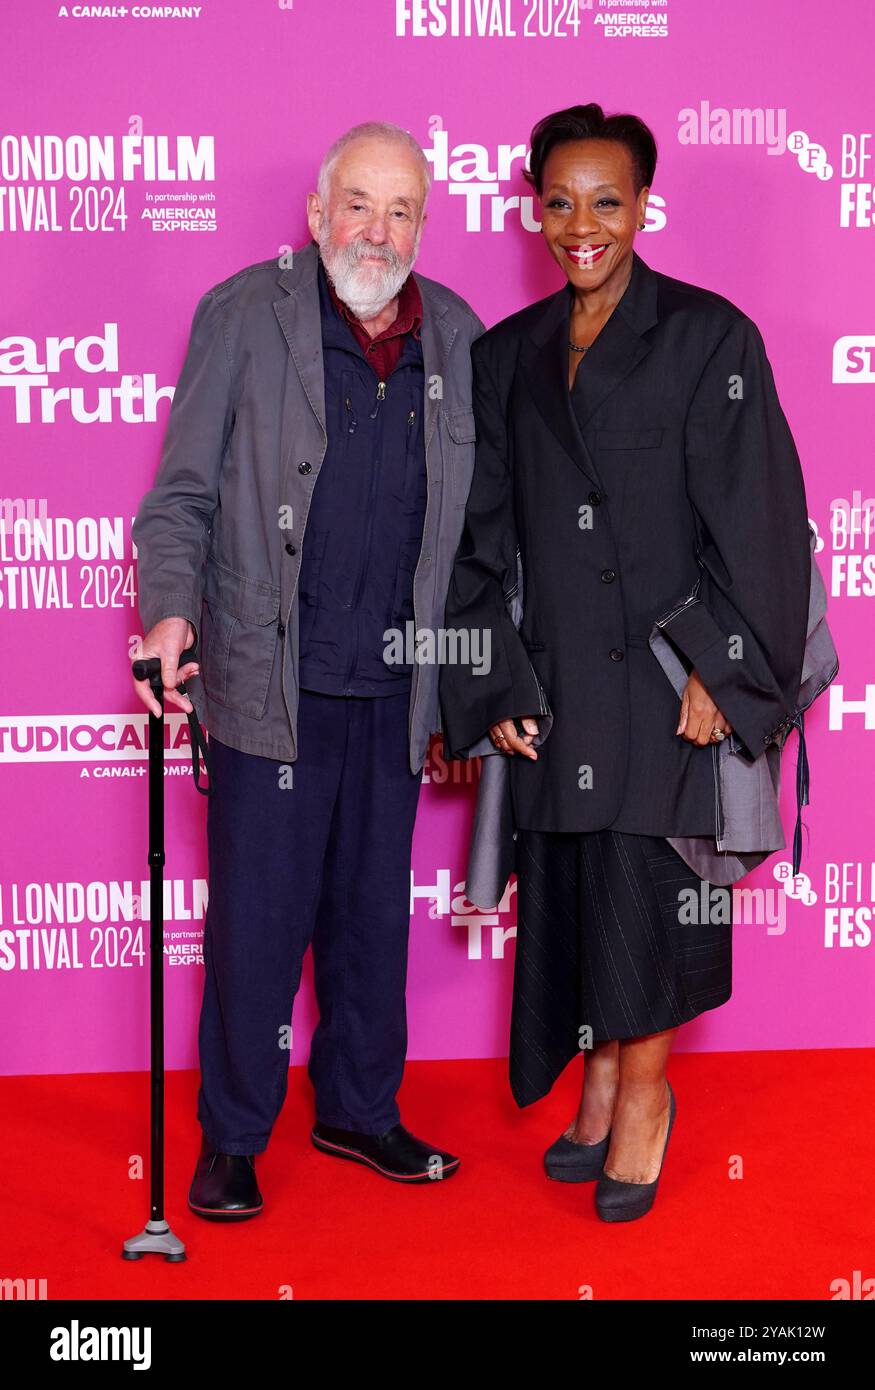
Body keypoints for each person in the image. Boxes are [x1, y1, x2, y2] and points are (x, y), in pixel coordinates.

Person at [438, 103, 812, 1222]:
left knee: (651, 897)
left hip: (664, 679)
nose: (580, 225)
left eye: (605, 200)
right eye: (558, 202)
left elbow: (758, 520)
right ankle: (597, 1073)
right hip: (557, 682)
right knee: (572, 893)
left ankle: (642, 1096)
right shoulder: (504, 355)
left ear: (643, 204)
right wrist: (492, 678)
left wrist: (726, 669)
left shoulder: (710, 338)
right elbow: (479, 537)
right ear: (531, 209)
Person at [132, 121, 486, 1219]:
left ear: (423, 226)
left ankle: (357, 1112)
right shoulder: (243, 314)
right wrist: (166, 615)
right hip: (264, 685)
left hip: (393, 690)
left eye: (400, 212)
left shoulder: (460, 338)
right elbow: (180, 497)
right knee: (255, 925)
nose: (375, 233)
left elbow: (477, 535)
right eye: (358, 205)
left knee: (371, 922)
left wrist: (464, 688)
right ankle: (232, 1138)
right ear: (316, 212)